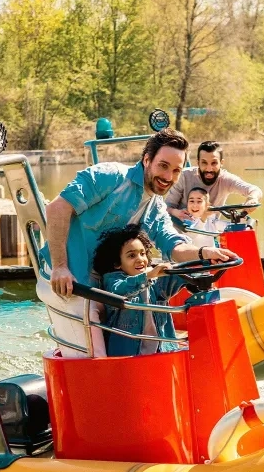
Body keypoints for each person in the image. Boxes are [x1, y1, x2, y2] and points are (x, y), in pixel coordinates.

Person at [41, 127, 238, 357]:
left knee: (140, 318)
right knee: (95, 356)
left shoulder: (156, 207)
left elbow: (175, 246)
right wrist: (60, 267)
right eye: (163, 166)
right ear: (147, 160)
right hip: (70, 281)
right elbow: (56, 209)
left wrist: (205, 253)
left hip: (109, 287)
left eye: (176, 171)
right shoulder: (110, 176)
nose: (168, 177)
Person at [93, 225, 185, 357]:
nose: (140, 259)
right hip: (128, 357)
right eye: (131, 255)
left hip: (162, 353)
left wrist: (203, 266)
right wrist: (147, 276)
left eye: (142, 253)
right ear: (117, 263)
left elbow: (180, 277)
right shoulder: (112, 281)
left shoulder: (155, 281)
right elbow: (118, 291)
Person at [165, 141, 263, 220]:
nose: (209, 169)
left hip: (209, 232)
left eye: (214, 163)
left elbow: (255, 190)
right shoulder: (183, 176)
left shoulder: (226, 179)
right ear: (197, 162)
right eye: (204, 163)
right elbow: (166, 208)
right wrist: (176, 213)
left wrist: (253, 198)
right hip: (182, 232)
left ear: (221, 163)